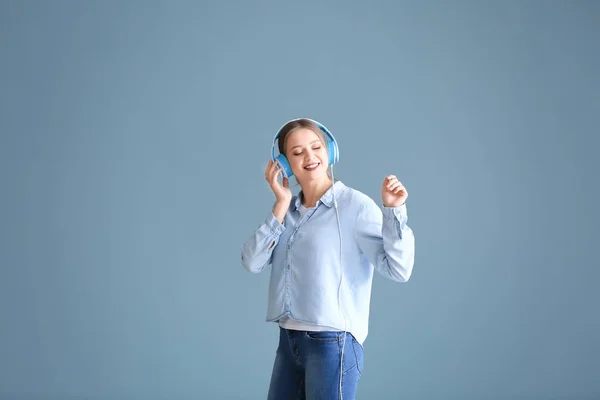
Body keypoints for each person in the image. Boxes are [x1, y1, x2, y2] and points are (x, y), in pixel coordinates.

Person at [241, 118, 416, 400]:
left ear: (330, 150)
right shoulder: (287, 213)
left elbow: (399, 269)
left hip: (332, 344)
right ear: (284, 164)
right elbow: (252, 262)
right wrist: (281, 204)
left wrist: (393, 213)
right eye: (297, 153)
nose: (309, 157)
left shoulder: (355, 206)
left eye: (316, 147)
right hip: (288, 340)